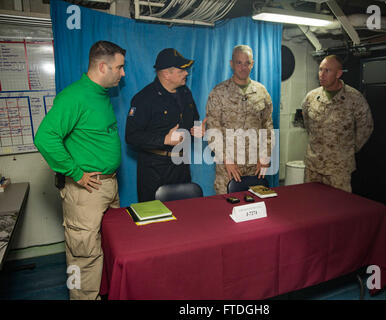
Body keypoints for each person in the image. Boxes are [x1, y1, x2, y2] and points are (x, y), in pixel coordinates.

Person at [34, 40, 126, 300]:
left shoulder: (101, 94)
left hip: (108, 186)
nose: (123, 73)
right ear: (102, 66)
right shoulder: (74, 96)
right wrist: (76, 173)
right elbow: (45, 137)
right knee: (82, 254)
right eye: (119, 67)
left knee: (107, 247)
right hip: (86, 191)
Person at [126, 48, 205, 202]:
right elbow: (132, 136)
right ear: (166, 74)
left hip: (181, 166)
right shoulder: (144, 99)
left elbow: (193, 119)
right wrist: (164, 140)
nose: (186, 73)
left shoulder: (185, 93)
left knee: (184, 214)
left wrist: (198, 129)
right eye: (181, 70)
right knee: (154, 219)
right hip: (154, 169)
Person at [206, 45, 274, 195]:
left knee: (255, 208)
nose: (243, 67)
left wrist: (265, 155)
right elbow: (212, 130)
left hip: (254, 167)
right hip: (229, 168)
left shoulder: (261, 92)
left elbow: (267, 127)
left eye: (247, 63)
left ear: (252, 64)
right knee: (226, 209)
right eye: (239, 63)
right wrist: (226, 159)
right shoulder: (219, 93)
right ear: (231, 64)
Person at [301, 55, 374, 192]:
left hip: (339, 169)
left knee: (339, 208)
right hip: (313, 167)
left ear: (339, 74)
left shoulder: (354, 98)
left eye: (327, 71)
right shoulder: (311, 97)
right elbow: (308, 124)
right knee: (310, 206)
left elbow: (366, 127)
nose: (322, 75)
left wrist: (347, 150)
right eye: (320, 70)